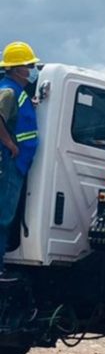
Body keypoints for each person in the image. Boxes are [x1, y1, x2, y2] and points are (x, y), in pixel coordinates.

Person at [0, 41, 41, 281]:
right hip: (8, 163)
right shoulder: (8, 92)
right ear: (16, 69)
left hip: (15, 164)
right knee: (3, 218)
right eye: (28, 66)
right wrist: (10, 144)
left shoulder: (17, 92)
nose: (32, 70)